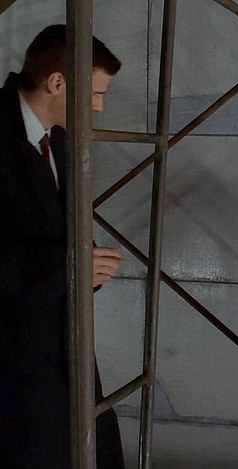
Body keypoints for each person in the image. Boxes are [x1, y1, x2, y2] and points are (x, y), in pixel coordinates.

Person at [0, 24, 126, 468]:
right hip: (14, 357)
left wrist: (86, 267)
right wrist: (69, 268)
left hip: (59, 344)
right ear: (57, 82)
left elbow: (58, 230)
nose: (99, 105)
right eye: (95, 93)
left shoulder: (59, 136)